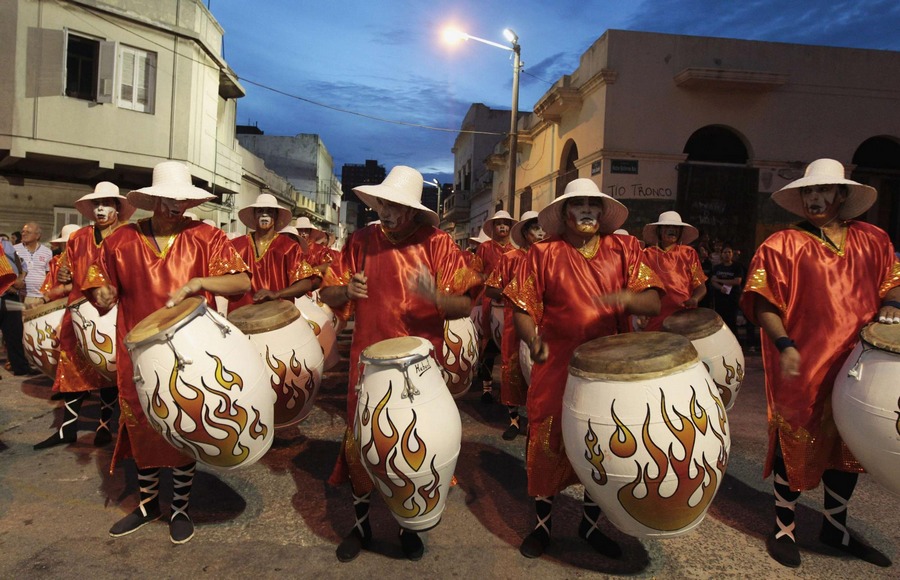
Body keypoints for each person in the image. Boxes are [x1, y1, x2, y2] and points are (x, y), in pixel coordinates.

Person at [740, 158, 898, 569]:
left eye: (823, 190)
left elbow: (893, 283)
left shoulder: (874, 239)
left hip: (857, 365)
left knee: (847, 445)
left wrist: (893, 305)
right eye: (808, 191)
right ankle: (783, 528)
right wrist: (784, 343)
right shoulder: (781, 245)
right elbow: (762, 302)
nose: (814, 198)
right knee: (794, 442)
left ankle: (835, 527)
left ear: (841, 195)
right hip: (802, 364)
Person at [319, 165, 479, 563]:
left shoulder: (438, 244)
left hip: (420, 368)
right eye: (382, 203)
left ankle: (409, 525)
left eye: (395, 205)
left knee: (414, 446)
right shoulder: (361, 241)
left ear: (412, 209)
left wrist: (436, 298)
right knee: (362, 441)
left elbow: (465, 303)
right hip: (368, 363)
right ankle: (361, 526)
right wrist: (346, 290)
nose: (386, 211)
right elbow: (327, 293)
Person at [84, 161, 250, 545]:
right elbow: (99, 285)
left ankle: (179, 507)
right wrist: (102, 294)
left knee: (183, 423)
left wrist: (200, 281)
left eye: (183, 200)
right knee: (142, 426)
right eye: (170, 199)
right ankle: (147, 505)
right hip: (138, 352)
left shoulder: (206, 237)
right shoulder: (121, 240)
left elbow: (241, 281)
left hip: (192, 352)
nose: (177, 206)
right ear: (154, 199)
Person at [505, 178, 663, 559]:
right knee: (545, 440)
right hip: (556, 364)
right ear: (565, 213)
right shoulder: (542, 253)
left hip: (607, 368)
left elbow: (653, 302)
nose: (588, 210)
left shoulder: (623, 248)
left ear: (602, 212)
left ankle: (590, 526)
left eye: (594, 204)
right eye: (579, 204)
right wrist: (532, 339)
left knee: (603, 443)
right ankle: (542, 527)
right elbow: (523, 308)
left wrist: (626, 298)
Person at [34, 183, 134, 449]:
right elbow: (66, 273)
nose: (100, 209)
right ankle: (67, 429)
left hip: (113, 313)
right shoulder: (78, 237)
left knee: (109, 369)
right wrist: (64, 274)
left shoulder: (128, 236)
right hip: (77, 313)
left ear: (117, 207)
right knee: (72, 370)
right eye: (96, 204)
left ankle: (104, 425)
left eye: (106, 204)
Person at [483, 210, 544, 440]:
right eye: (535, 229)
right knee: (513, 370)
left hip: (544, 323)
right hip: (513, 322)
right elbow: (490, 289)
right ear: (526, 233)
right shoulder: (510, 258)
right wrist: (511, 293)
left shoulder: (552, 256)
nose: (541, 233)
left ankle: (537, 422)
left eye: (543, 228)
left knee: (542, 372)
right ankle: (514, 420)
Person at [229, 194, 320, 311]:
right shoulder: (235, 245)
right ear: (254, 215)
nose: (264, 215)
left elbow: (305, 283)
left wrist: (277, 294)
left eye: (269, 211)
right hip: (240, 314)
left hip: (278, 315)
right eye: (260, 211)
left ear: (276, 216)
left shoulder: (290, 247)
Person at [474, 210, 517, 404]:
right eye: (499, 223)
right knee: (488, 345)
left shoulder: (514, 249)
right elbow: (475, 271)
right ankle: (486, 388)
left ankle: (509, 389)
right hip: (487, 301)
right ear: (493, 227)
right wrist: (483, 279)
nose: (502, 227)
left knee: (511, 346)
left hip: (510, 301)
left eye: (506, 223)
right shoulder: (484, 247)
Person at [638, 211, 707, 331]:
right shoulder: (646, 254)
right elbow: (640, 288)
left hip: (683, 317)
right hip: (654, 317)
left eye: (676, 227)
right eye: (667, 226)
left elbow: (701, 288)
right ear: (659, 231)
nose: (672, 230)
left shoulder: (689, 253)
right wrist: (641, 312)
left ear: (680, 231)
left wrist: (695, 299)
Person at [1, 236, 37, 376]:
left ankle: (21, 367)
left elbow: (20, 263)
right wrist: (9, 285)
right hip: (6, 291)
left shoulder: (5, 244)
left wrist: (21, 278)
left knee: (15, 332)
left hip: (11, 296)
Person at [709, 243, 746, 335]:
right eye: (725, 252)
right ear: (721, 254)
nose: (727, 254)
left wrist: (719, 280)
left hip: (733, 297)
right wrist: (721, 287)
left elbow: (737, 281)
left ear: (732, 254)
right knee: (720, 319)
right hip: (720, 297)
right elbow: (713, 281)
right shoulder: (717, 267)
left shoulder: (737, 266)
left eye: (729, 252)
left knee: (732, 320)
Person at [15, 222, 54, 308]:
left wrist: (46, 296)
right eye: (23, 231)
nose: (24, 234)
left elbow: (48, 274)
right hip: (20, 296)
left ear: (37, 236)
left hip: (39, 298)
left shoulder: (47, 252)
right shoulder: (14, 249)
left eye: (28, 232)